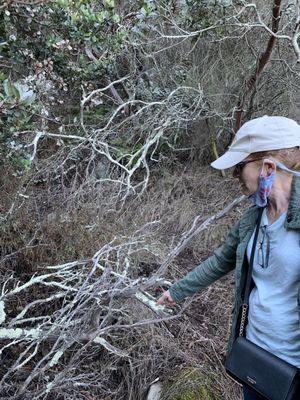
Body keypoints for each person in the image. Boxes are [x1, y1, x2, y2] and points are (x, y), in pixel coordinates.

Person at [156, 116, 300, 400]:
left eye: (239, 168)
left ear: (268, 166)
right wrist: (177, 291)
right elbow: (222, 259)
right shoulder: (253, 219)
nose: (235, 177)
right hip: (254, 357)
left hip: (293, 369)